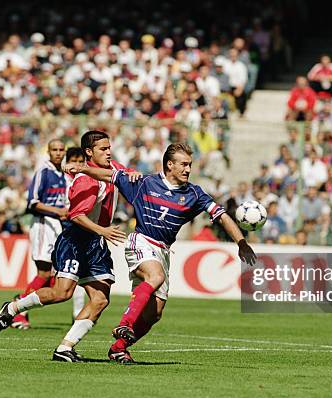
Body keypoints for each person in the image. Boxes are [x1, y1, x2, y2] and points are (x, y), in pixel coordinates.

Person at [70, 142, 257, 364]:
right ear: (169, 165)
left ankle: (118, 348)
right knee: (155, 276)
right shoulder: (144, 183)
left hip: (163, 250)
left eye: (190, 165)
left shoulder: (195, 194)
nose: (188, 169)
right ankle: (125, 324)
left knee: (154, 314)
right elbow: (109, 175)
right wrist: (82, 168)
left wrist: (241, 242)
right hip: (140, 241)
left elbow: (222, 215)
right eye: (183, 164)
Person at [0, 131, 139, 363]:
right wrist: (103, 230)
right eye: (103, 149)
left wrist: (134, 174)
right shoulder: (85, 181)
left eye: (109, 147)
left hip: (96, 243)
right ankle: (12, 308)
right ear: (89, 152)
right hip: (75, 240)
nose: (109, 152)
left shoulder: (108, 168)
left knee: (100, 299)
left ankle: (65, 348)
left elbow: (126, 174)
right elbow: (76, 215)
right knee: (62, 293)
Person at [10, 139, 72, 329]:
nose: (58, 153)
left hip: (57, 226)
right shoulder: (43, 172)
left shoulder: (62, 174)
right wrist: (58, 211)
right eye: (55, 150)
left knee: (53, 278)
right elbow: (33, 202)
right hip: (43, 225)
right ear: (49, 151)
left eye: (61, 150)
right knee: (44, 273)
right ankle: (17, 311)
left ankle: (19, 303)